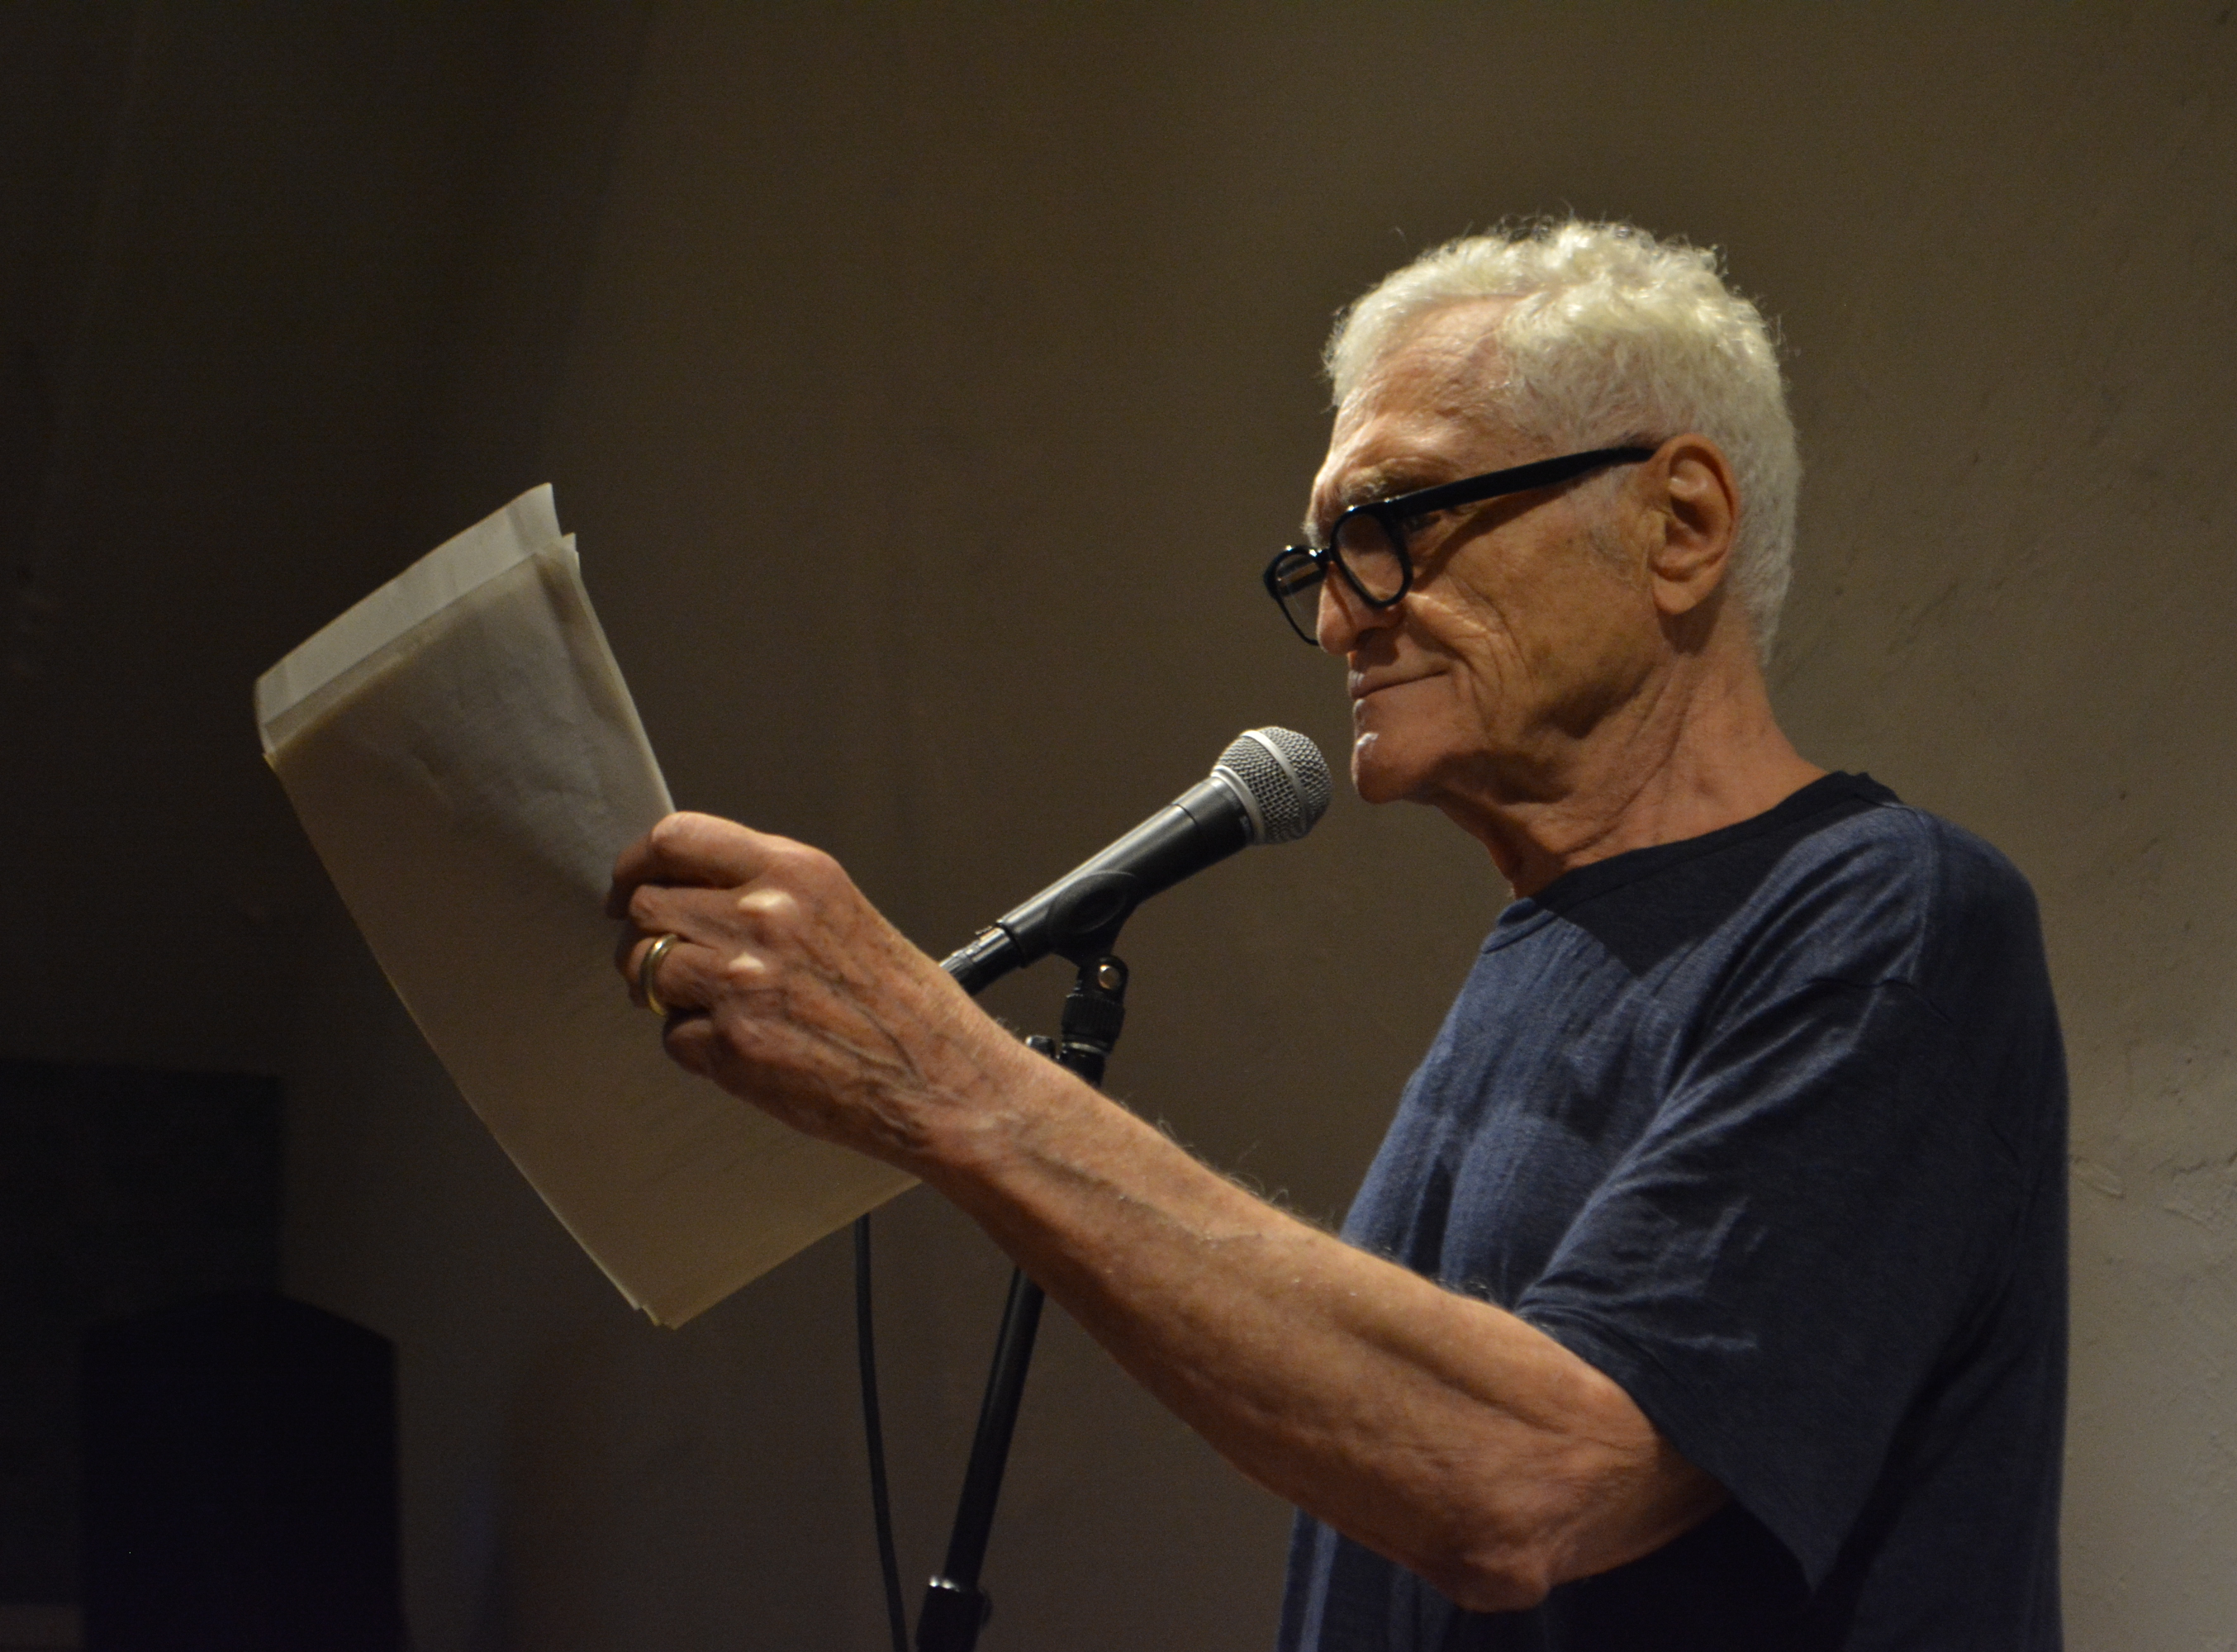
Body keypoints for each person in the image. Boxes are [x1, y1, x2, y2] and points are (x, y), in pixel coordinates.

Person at [608, 220, 2067, 1650]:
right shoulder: (1544, 951)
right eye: (1322, 560)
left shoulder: (1890, 917)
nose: (1339, 623)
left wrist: (950, 1079)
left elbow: (1528, 1484)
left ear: (1678, 525)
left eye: (1389, 527)